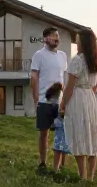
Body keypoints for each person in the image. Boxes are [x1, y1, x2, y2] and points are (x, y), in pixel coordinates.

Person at [60, 28, 97, 181]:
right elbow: (95, 86)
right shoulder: (96, 61)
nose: (76, 44)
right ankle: (91, 177)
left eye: (78, 41)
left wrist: (63, 104)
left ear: (83, 43)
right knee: (92, 137)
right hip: (90, 99)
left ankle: (83, 176)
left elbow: (69, 87)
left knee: (79, 135)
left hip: (78, 98)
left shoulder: (77, 60)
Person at [29, 27, 68, 174]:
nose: (56, 38)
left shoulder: (63, 55)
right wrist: (36, 100)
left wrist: (65, 99)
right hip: (43, 101)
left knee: (62, 132)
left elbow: (64, 78)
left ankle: (62, 164)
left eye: (57, 36)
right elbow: (33, 78)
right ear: (45, 38)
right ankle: (42, 162)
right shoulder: (39, 55)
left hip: (59, 102)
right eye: (52, 36)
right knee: (44, 133)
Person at [45, 83, 70, 173]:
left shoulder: (51, 100)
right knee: (60, 147)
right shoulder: (59, 99)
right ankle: (57, 168)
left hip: (59, 125)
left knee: (59, 147)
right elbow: (60, 112)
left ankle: (58, 167)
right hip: (62, 125)